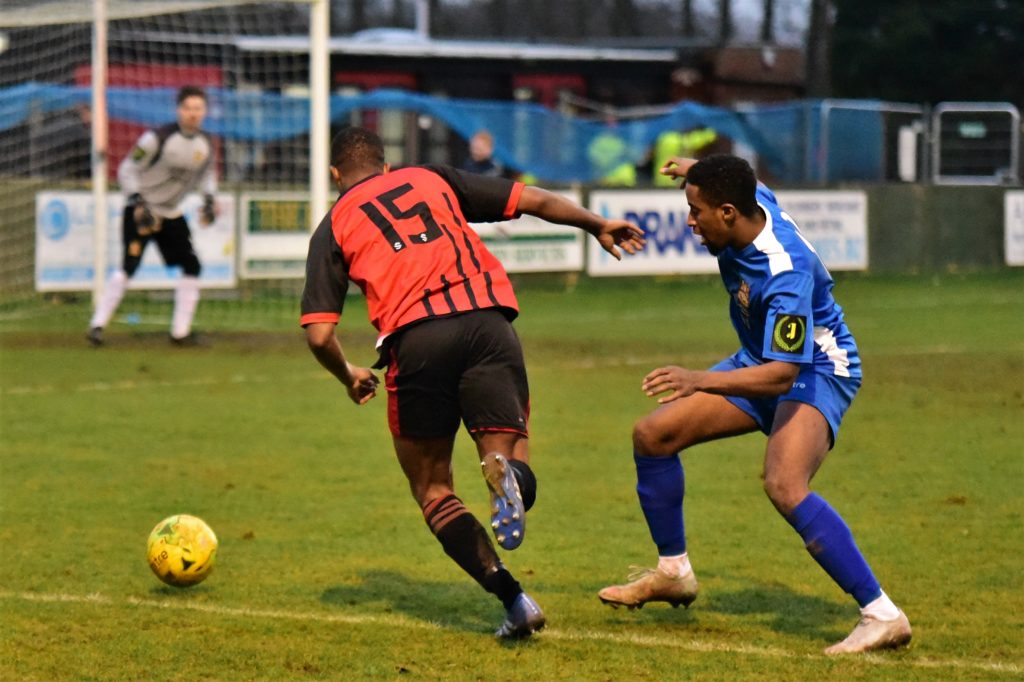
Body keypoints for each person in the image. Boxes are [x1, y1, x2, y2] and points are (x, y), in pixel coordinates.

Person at [301, 126, 644, 639]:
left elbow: (319, 334)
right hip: (488, 323)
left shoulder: (333, 224)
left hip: (417, 341)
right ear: (387, 165)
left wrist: (347, 373)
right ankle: (513, 479)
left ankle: (515, 600)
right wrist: (595, 223)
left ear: (335, 176)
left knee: (433, 489)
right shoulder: (431, 178)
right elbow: (532, 199)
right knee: (507, 455)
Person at [597, 154, 912, 656]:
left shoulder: (784, 272)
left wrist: (699, 380)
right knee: (653, 436)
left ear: (727, 213)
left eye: (696, 211)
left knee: (784, 483)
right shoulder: (749, 200)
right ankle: (674, 573)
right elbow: (747, 178)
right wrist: (697, 168)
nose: (690, 222)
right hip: (763, 358)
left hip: (816, 367)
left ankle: (882, 615)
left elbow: (783, 375)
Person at [87, 85, 217, 346]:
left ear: (205, 112)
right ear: (178, 110)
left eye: (198, 108)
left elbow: (207, 176)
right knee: (129, 266)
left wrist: (209, 199)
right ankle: (97, 326)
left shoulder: (206, 144)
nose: (193, 114)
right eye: (188, 108)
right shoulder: (157, 138)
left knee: (192, 265)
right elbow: (127, 169)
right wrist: (137, 201)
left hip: (170, 213)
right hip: (143, 210)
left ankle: (180, 333)